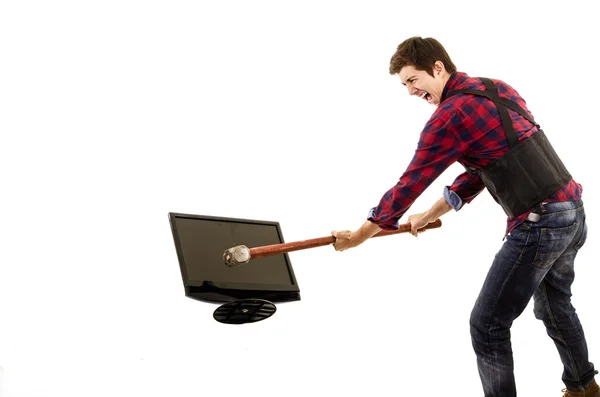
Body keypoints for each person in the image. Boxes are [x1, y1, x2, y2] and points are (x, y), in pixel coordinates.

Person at [331, 36, 597, 397]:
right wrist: (430, 214)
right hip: (572, 212)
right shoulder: (496, 88)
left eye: (413, 80)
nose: (410, 91)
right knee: (554, 304)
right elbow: (485, 168)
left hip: (540, 222)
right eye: (404, 84)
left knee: (487, 325)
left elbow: (410, 182)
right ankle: (585, 388)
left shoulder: (448, 117)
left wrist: (361, 233)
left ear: (437, 68)